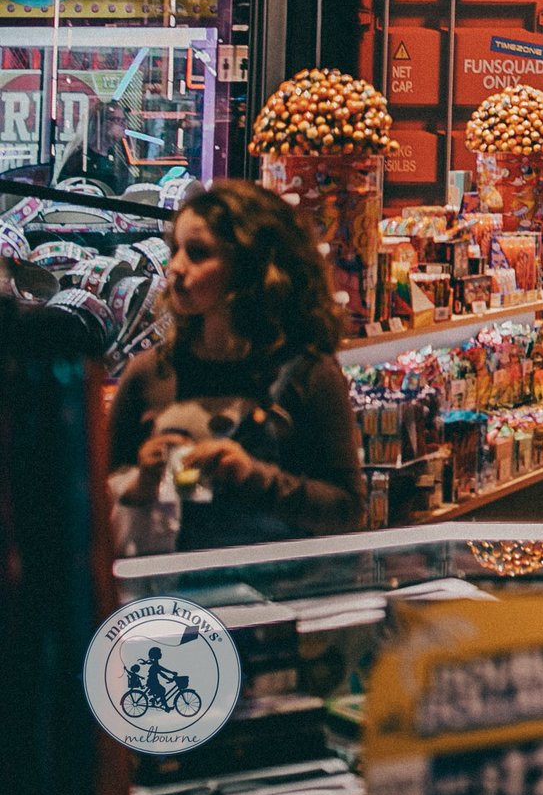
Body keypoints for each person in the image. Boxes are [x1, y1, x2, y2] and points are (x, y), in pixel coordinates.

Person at [107, 179, 363, 550]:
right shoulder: (149, 374)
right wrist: (140, 482)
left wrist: (253, 477)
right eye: (175, 249)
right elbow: (94, 502)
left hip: (280, 595)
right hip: (173, 601)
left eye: (197, 253)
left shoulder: (309, 374)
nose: (176, 267)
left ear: (249, 265)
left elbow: (346, 509)